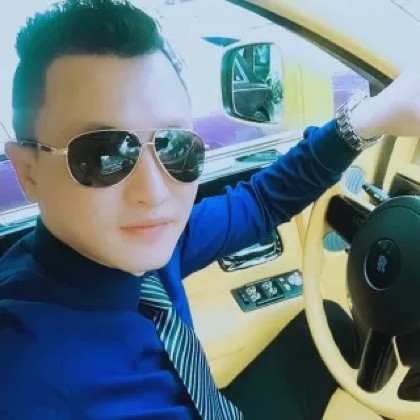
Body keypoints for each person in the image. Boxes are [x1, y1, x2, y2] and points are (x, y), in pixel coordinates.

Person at [0, 1, 419, 419]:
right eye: (103, 155)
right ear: (27, 171)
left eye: (174, 146)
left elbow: (261, 201)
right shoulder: (25, 379)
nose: (154, 192)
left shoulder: (131, 249)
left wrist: (371, 118)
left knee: (334, 323)